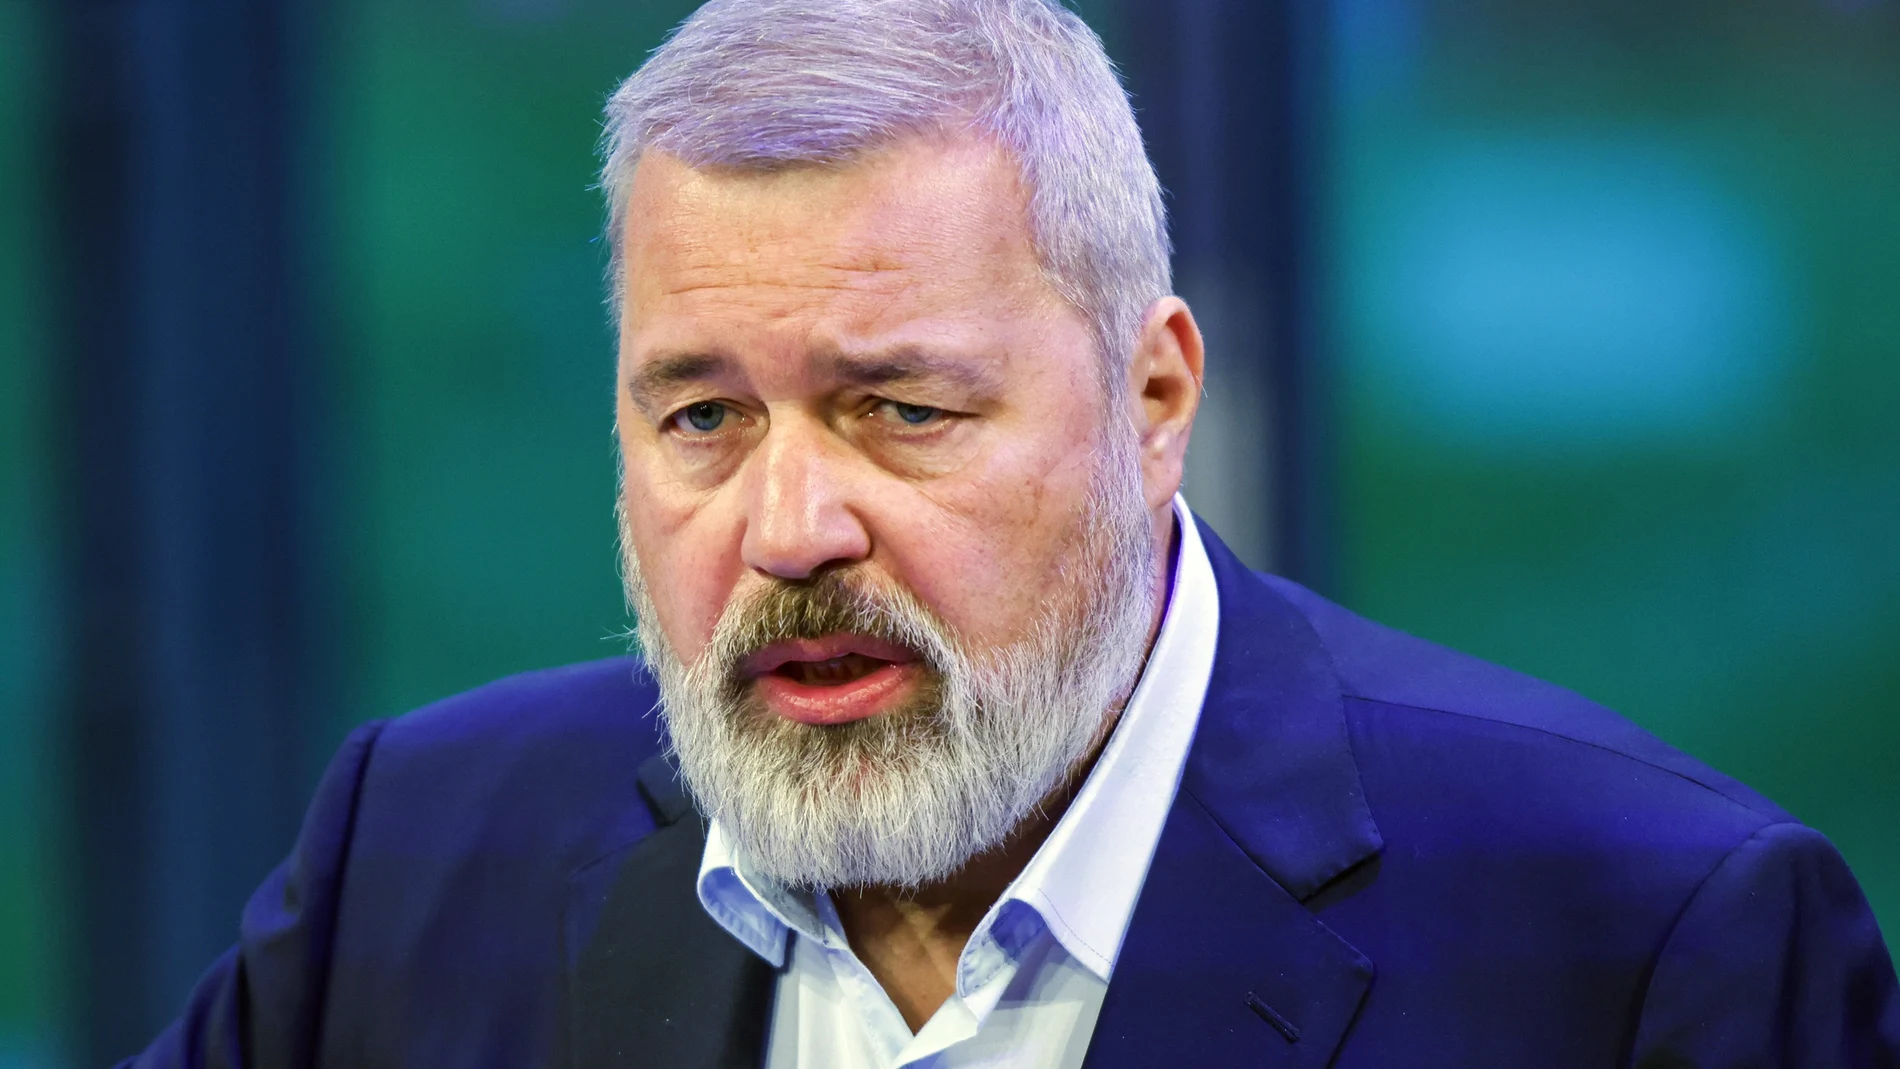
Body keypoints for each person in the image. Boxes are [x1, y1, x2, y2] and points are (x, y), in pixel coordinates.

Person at [126, 0, 1899, 1066]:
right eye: (704, 419)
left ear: (1153, 403)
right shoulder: (422, 861)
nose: (791, 527)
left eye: (901, 409)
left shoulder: (1650, 941)